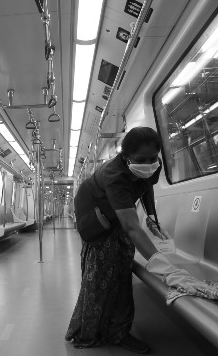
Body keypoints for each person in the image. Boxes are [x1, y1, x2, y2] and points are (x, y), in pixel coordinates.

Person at [66, 126, 170, 353]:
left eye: (153, 158)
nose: (148, 163)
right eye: (141, 159)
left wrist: (152, 218)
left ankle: (118, 331)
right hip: (94, 210)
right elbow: (132, 227)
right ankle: (91, 331)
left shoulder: (152, 164)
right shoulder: (115, 175)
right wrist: (162, 265)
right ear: (126, 157)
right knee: (102, 272)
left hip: (117, 210)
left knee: (122, 271)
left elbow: (146, 186)